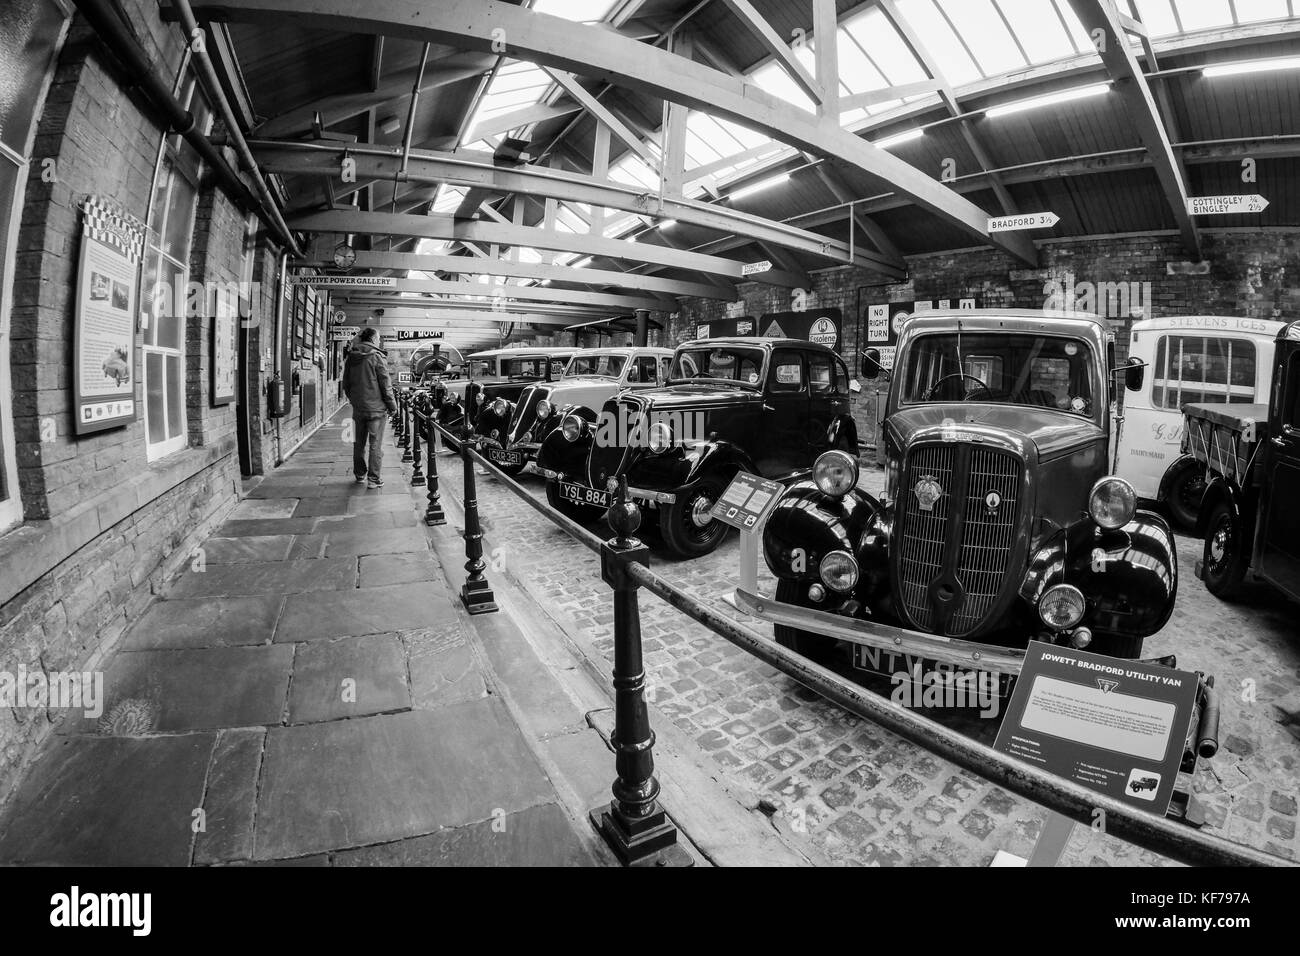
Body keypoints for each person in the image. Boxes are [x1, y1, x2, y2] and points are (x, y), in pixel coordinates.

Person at [342, 328, 398, 488]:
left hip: (358, 409)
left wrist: (355, 400)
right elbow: (386, 385)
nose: (379, 341)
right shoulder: (377, 357)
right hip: (376, 410)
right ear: (373, 338)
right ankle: (373, 480)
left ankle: (359, 475)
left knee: (358, 443)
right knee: (375, 444)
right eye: (378, 338)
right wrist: (392, 406)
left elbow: (346, 384)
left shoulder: (351, 357)